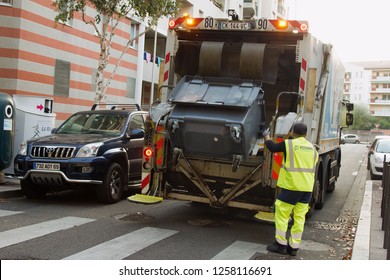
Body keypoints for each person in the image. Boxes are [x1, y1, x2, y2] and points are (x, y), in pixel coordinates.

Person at [262, 122, 319, 256]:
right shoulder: (313, 148)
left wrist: (267, 137)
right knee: (299, 217)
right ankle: (294, 248)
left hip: (292, 186)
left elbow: (272, 148)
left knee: (282, 213)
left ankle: (280, 244)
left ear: (293, 132)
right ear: (306, 134)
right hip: (307, 188)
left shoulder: (289, 144)